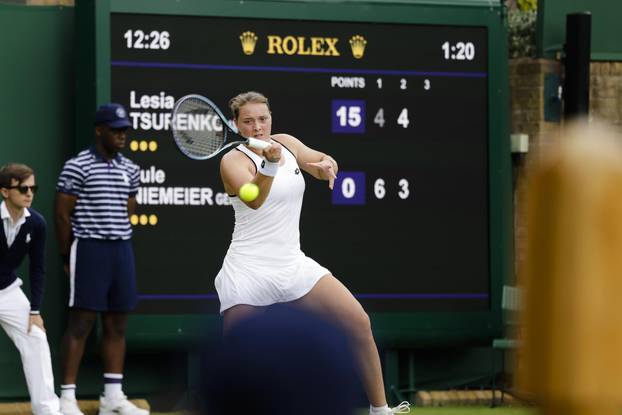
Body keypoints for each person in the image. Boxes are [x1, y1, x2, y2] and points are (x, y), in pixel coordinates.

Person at [215, 91, 410, 415]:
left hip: (292, 264)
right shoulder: (231, 161)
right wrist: (269, 164)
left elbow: (316, 163)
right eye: (248, 121)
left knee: (358, 322)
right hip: (248, 269)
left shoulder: (286, 143)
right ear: (236, 125)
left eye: (263, 119)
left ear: (271, 118)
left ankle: (381, 411)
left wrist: (326, 165)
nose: (258, 127)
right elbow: (253, 197)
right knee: (238, 357)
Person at [54, 103, 147, 415]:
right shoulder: (77, 166)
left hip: (121, 249)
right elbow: (62, 214)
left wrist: (118, 229)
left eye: (124, 131)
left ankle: (112, 398)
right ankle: (66, 398)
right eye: (115, 130)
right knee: (81, 322)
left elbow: (129, 207)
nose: (121, 136)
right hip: (89, 248)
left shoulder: (130, 168)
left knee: (117, 322)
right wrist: (67, 255)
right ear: (99, 130)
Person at [0, 163, 62, 415]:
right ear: (5, 192)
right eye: (23, 188)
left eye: (33, 187)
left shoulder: (36, 223)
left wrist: (34, 310)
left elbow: (38, 269)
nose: (29, 193)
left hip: (8, 290)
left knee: (36, 337)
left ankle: (48, 411)